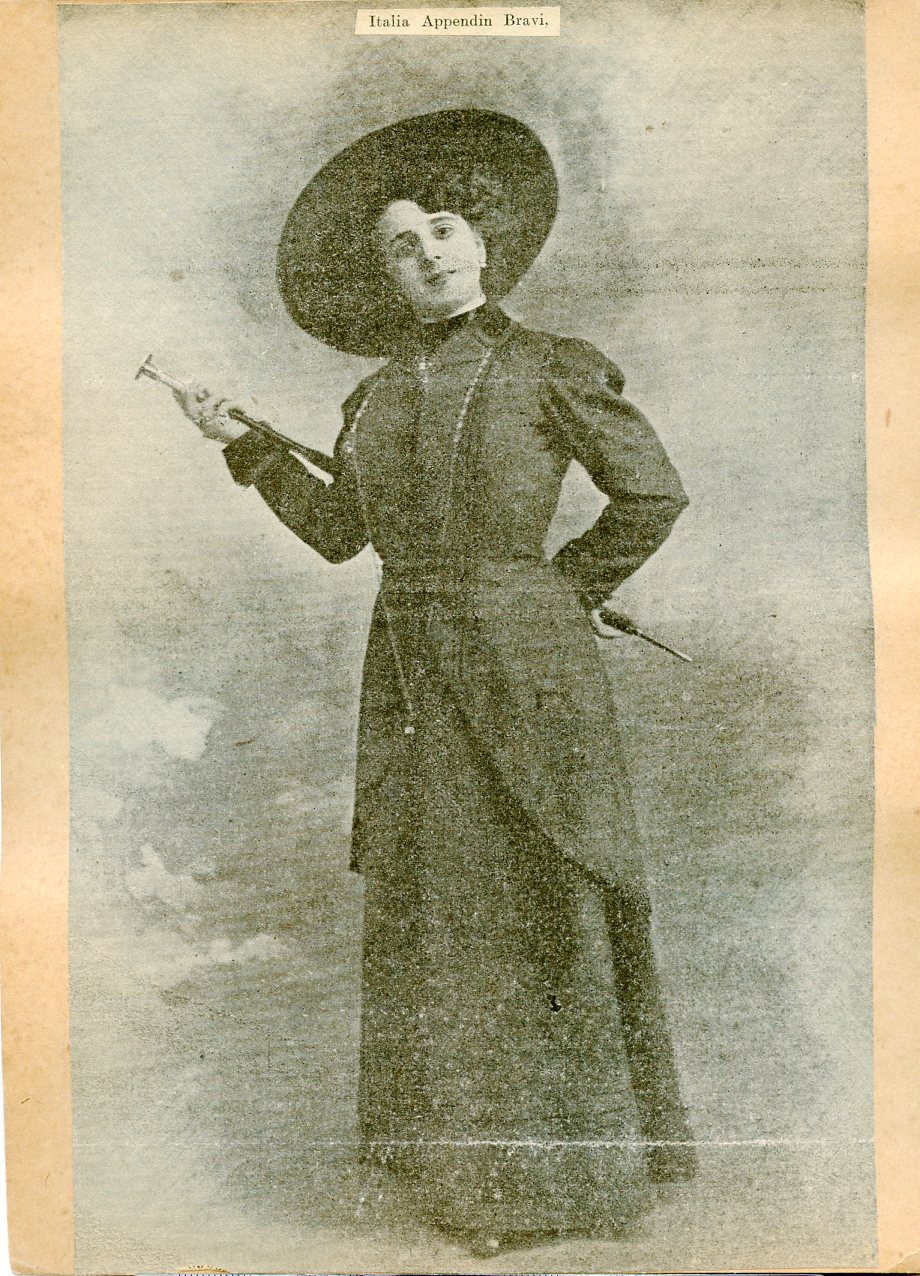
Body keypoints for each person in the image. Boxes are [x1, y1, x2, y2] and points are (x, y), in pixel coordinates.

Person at [173, 108, 695, 1255]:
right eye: (400, 246)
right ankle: (465, 1177)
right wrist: (243, 447)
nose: (428, 255)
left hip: (529, 673)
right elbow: (340, 533)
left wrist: (556, 588)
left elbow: (651, 494)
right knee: (444, 911)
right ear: (383, 275)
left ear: (485, 237)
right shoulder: (368, 401)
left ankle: (568, 1184)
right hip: (408, 678)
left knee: (537, 900)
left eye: (444, 229)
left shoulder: (551, 365)